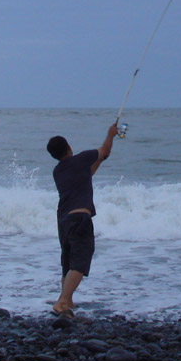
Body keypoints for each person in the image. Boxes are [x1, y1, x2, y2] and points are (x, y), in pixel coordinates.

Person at [46, 121, 118, 317]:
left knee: (67, 261)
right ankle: (61, 302)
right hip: (80, 219)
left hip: (63, 220)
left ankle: (67, 300)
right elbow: (104, 150)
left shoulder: (58, 171)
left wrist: (101, 159)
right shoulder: (82, 158)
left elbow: (89, 172)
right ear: (69, 147)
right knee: (80, 261)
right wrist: (111, 134)